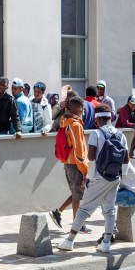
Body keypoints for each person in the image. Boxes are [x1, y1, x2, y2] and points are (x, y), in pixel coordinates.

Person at [58, 104, 129, 253]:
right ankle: (106, 243)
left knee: (84, 209)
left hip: (99, 177)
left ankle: (69, 241)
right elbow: (126, 159)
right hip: (115, 177)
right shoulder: (120, 134)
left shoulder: (96, 134)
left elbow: (90, 156)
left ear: (97, 120)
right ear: (110, 117)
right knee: (109, 211)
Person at [49, 96, 91, 233]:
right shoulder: (75, 125)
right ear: (79, 108)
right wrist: (84, 169)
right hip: (75, 164)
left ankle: (58, 212)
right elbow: (79, 150)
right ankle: (77, 225)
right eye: (82, 108)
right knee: (78, 195)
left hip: (68, 162)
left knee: (76, 193)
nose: (83, 111)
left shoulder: (65, 122)